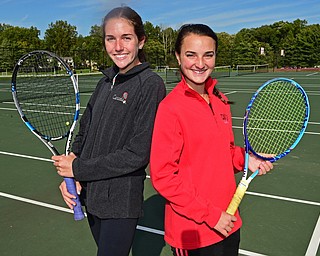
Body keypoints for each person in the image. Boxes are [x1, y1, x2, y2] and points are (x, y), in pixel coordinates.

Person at [150, 24, 273, 256]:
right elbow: (163, 177)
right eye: (191, 55)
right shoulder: (170, 109)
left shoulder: (220, 100)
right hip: (195, 231)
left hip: (229, 222)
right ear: (178, 57)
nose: (200, 63)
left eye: (208, 54)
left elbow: (224, 152)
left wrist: (248, 160)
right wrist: (211, 216)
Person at [52, 6, 166, 256]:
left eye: (126, 38)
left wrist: (78, 169)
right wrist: (72, 175)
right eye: (110, 38)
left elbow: (137, 153)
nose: (118, 46)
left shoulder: (151, 85)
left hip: (120, 203)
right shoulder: (104, 82)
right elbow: (85, 131)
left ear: (141, 40)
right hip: (90, 197)